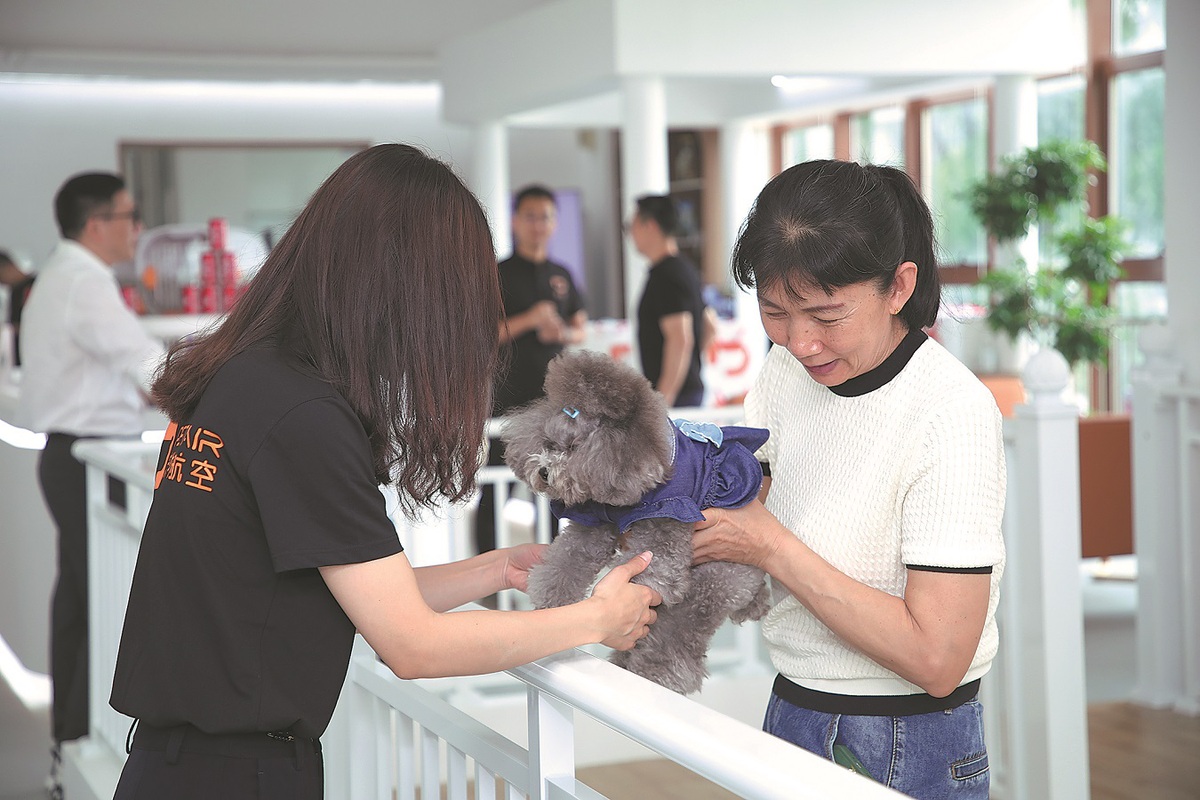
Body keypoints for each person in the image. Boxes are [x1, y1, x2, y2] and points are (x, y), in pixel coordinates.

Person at [108, 144, 659, 800]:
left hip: (178, 765)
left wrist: (496, 569)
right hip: (234, 775)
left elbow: (355, 593)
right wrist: (595, 620)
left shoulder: (246, 379)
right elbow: (412, 644)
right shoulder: (301, 414)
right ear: (404, 287)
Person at [692, 160, 1005, 799]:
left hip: (905, 740)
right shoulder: (784, 375)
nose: (800, 342)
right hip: (793, 708)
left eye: (827, 315)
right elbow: (767, 508)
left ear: (899, 287)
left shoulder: (949, 411)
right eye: (775, 312)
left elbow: (937, 659)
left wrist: (769, 546)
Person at [18, 173, 164, 755]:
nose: (139, 229)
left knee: (81, 592)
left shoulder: (66, 276)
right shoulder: (83, 282)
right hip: (88, 458)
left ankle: (72, 732)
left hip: (73, 456)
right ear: (96, 223)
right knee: (98, 592)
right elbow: (144, 362)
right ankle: (80, 735)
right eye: (130, 216)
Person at [475, 184, 586, 554]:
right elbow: (481, 334)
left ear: (555, 223)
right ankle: (489, 572)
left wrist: (563, 331)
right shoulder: (497, 273)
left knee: (555, 487)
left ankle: (553, 568)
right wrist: (529, 320)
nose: (538, 225)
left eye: (546, 217)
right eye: (531, 216)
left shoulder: (562, 274)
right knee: (497, 489)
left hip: (552, 404)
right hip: (506, 403)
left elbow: (581, 326)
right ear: (515, 221)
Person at [628, 194, 711, 408]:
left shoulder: (666, 275)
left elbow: (680, 339)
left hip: (676, 398)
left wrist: (662, 401)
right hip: (686, 391)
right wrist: (690, 365)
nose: (630, 233)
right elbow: (711, 326)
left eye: (633, 225)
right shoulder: (684, 268)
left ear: (651, 226)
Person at [0, 250, 35, 365]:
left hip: (31, 354)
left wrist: (9, 329)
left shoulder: (34, 286)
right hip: (16, 357)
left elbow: (36, 322)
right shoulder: (14, 291)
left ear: (8, 267)